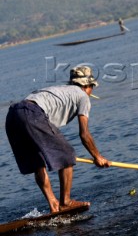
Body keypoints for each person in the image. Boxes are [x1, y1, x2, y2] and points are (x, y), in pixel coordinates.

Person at [5, 66, 110, 213]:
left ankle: (53, 204)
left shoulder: (61, 90)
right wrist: (98, 157)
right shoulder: (83, 96)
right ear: (87, 86)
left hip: (13, 115)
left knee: (38, 163)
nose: (92, 91)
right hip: (32, 113)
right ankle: (65, 202)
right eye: (92, 87)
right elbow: (84, 134)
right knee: (67, 154)